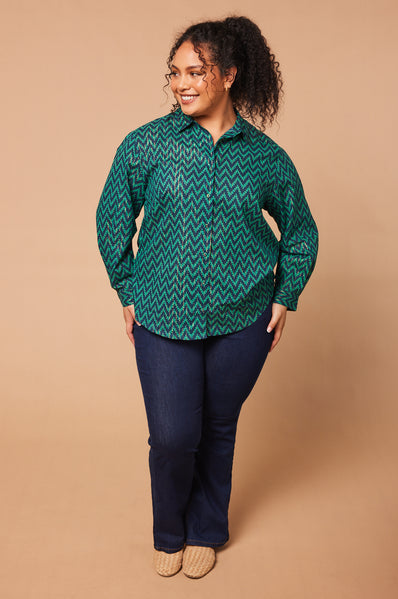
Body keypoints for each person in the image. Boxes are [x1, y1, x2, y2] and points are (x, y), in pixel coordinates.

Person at [96, 15, 319, 579]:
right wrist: (127, 288)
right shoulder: (146, 145)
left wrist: (285, 295)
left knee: (219, 428)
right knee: (174, 437)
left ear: (229, 75)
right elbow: (112, 219)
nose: (182, 83)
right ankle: (169, 532)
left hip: (244, 319)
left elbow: (300, 232)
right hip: (162, 315)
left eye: (196, 71)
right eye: (175, 73)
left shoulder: (265, 157)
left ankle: (206, 530)